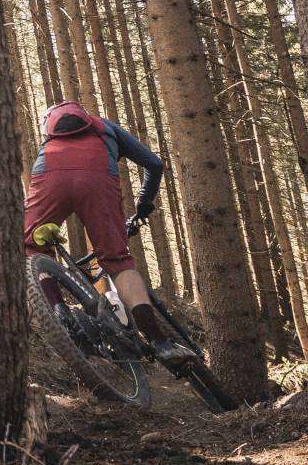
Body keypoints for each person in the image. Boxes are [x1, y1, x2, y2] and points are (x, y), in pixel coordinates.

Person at [24, 101, 195, 368]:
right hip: (99, 179)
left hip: (49, 176)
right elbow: (154, 164)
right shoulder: (104, 126)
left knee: (33, 248)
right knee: (118, 261)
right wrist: (143, 205)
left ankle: (60, 314)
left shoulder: (50, 138)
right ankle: (160, 342)